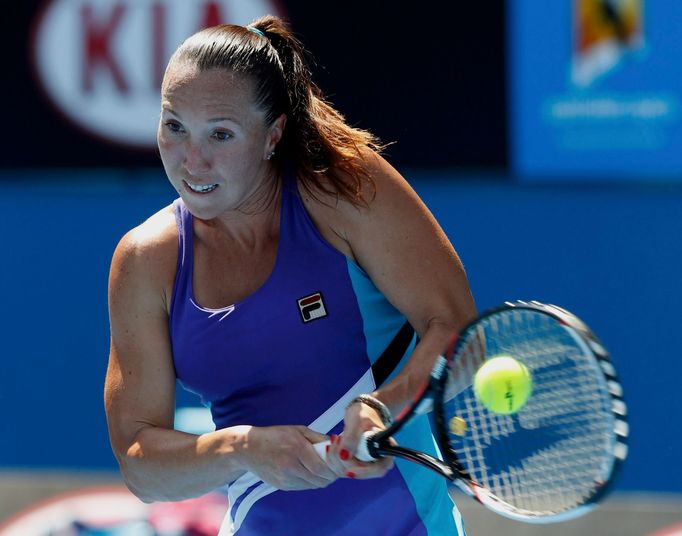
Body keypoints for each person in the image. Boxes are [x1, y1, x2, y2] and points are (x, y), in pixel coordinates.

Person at [104, 14, 476, 536]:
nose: (192, 160)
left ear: (272, 134)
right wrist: (243, 448)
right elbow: (141, 465)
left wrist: (382, 409)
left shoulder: (341, 188)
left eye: (221, 134)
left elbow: (457, 329)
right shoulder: (146, 260)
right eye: (174, 126)